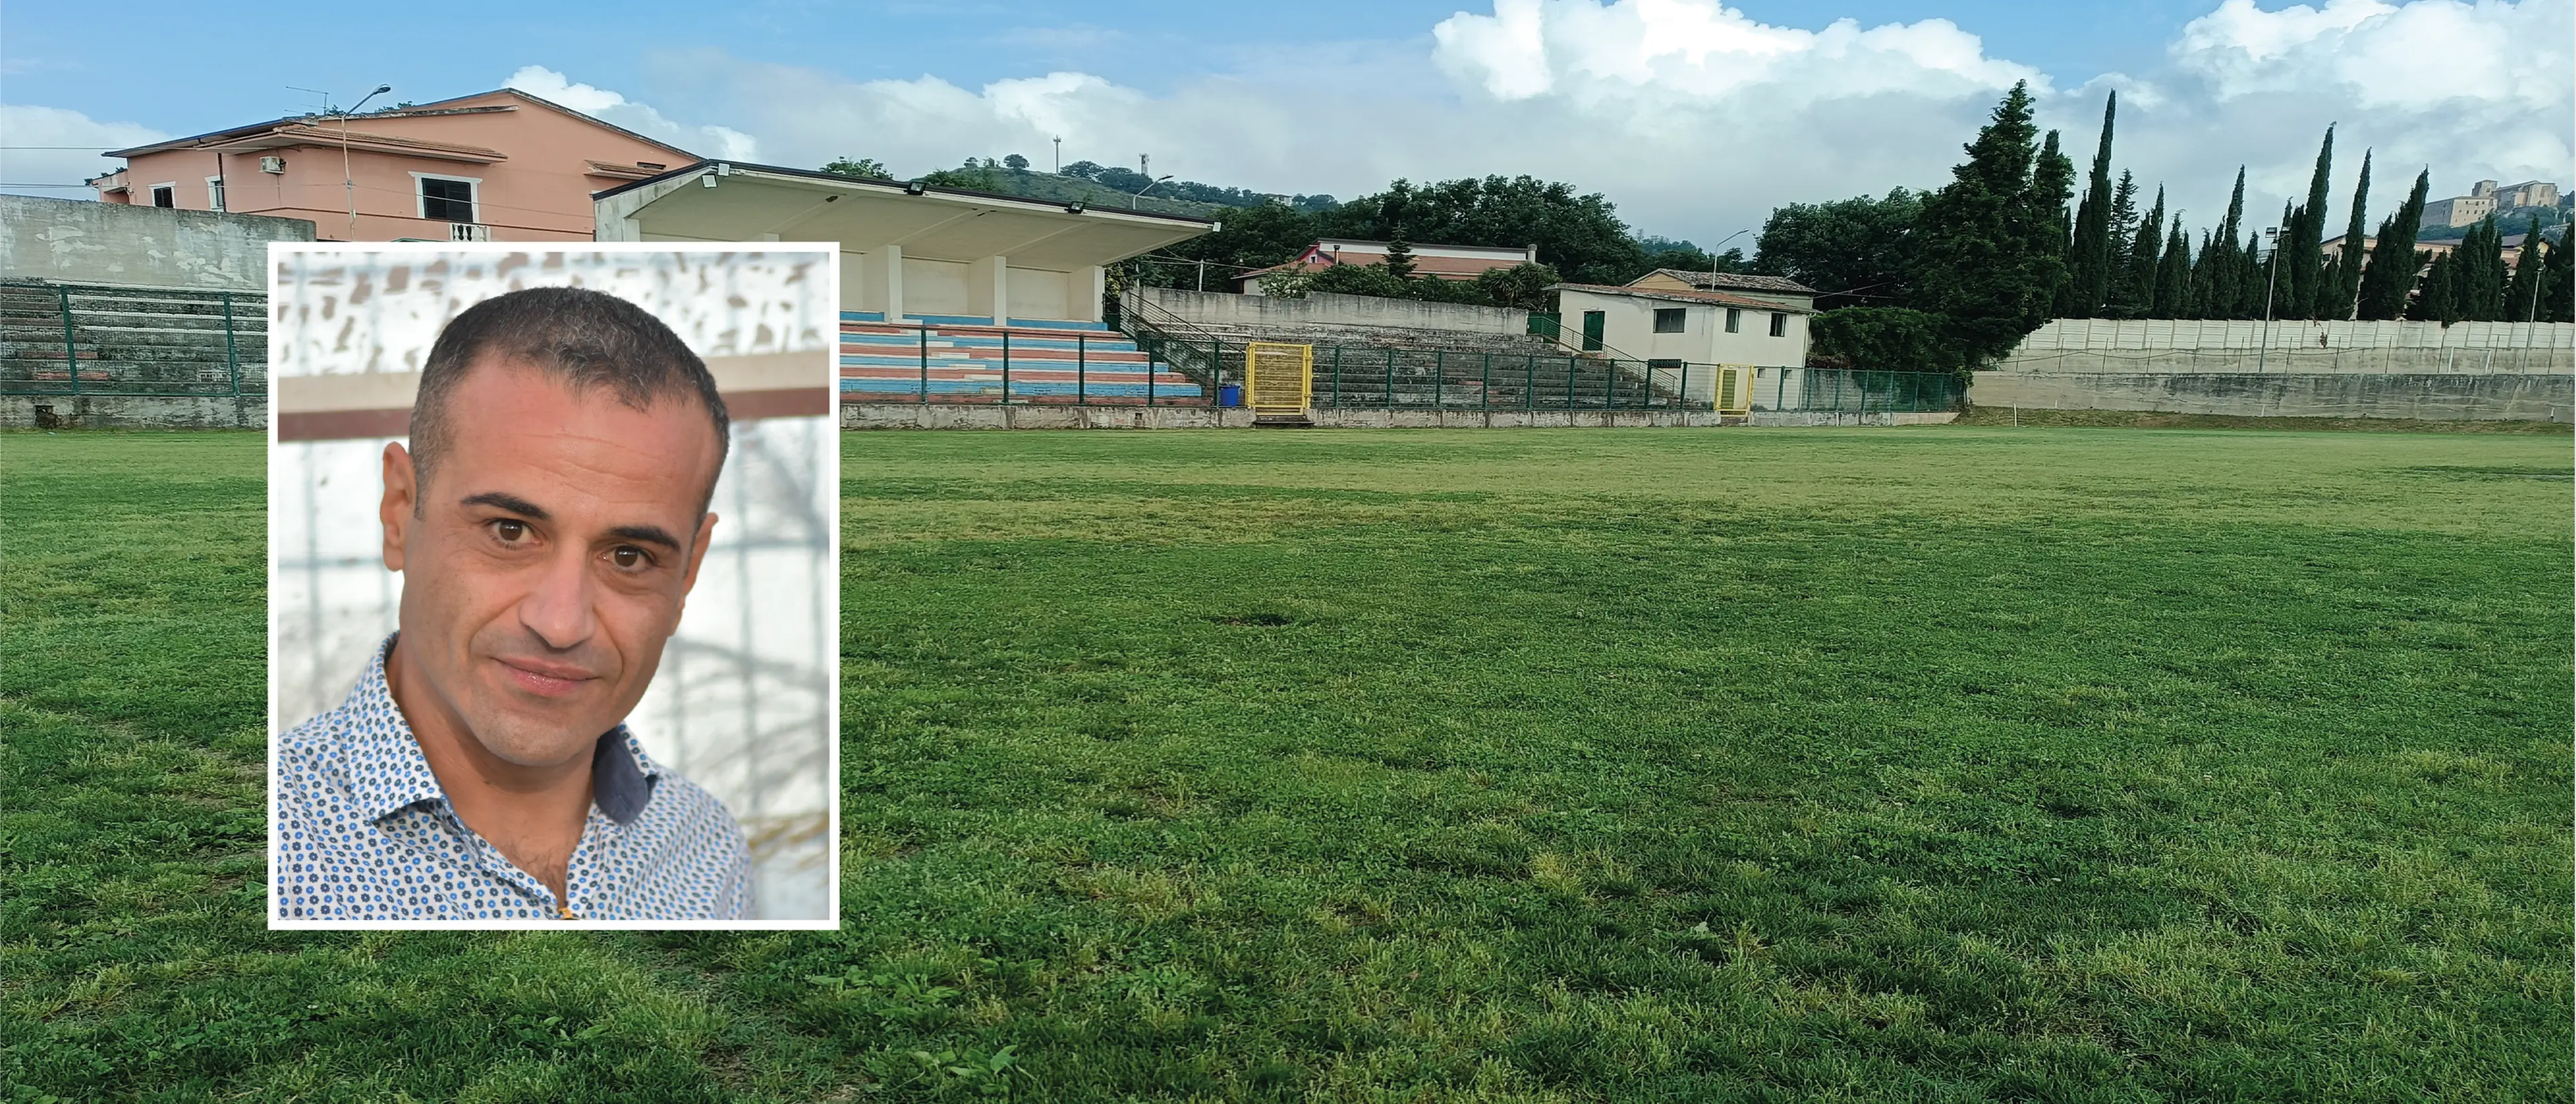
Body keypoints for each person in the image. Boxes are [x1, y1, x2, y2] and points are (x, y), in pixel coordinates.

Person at [275, 286, 752, 921]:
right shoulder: (281, 845)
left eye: (628, 556)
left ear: (688, 572)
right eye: (509, 531)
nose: (561, 623)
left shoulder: (706, 843)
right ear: (399, 513)